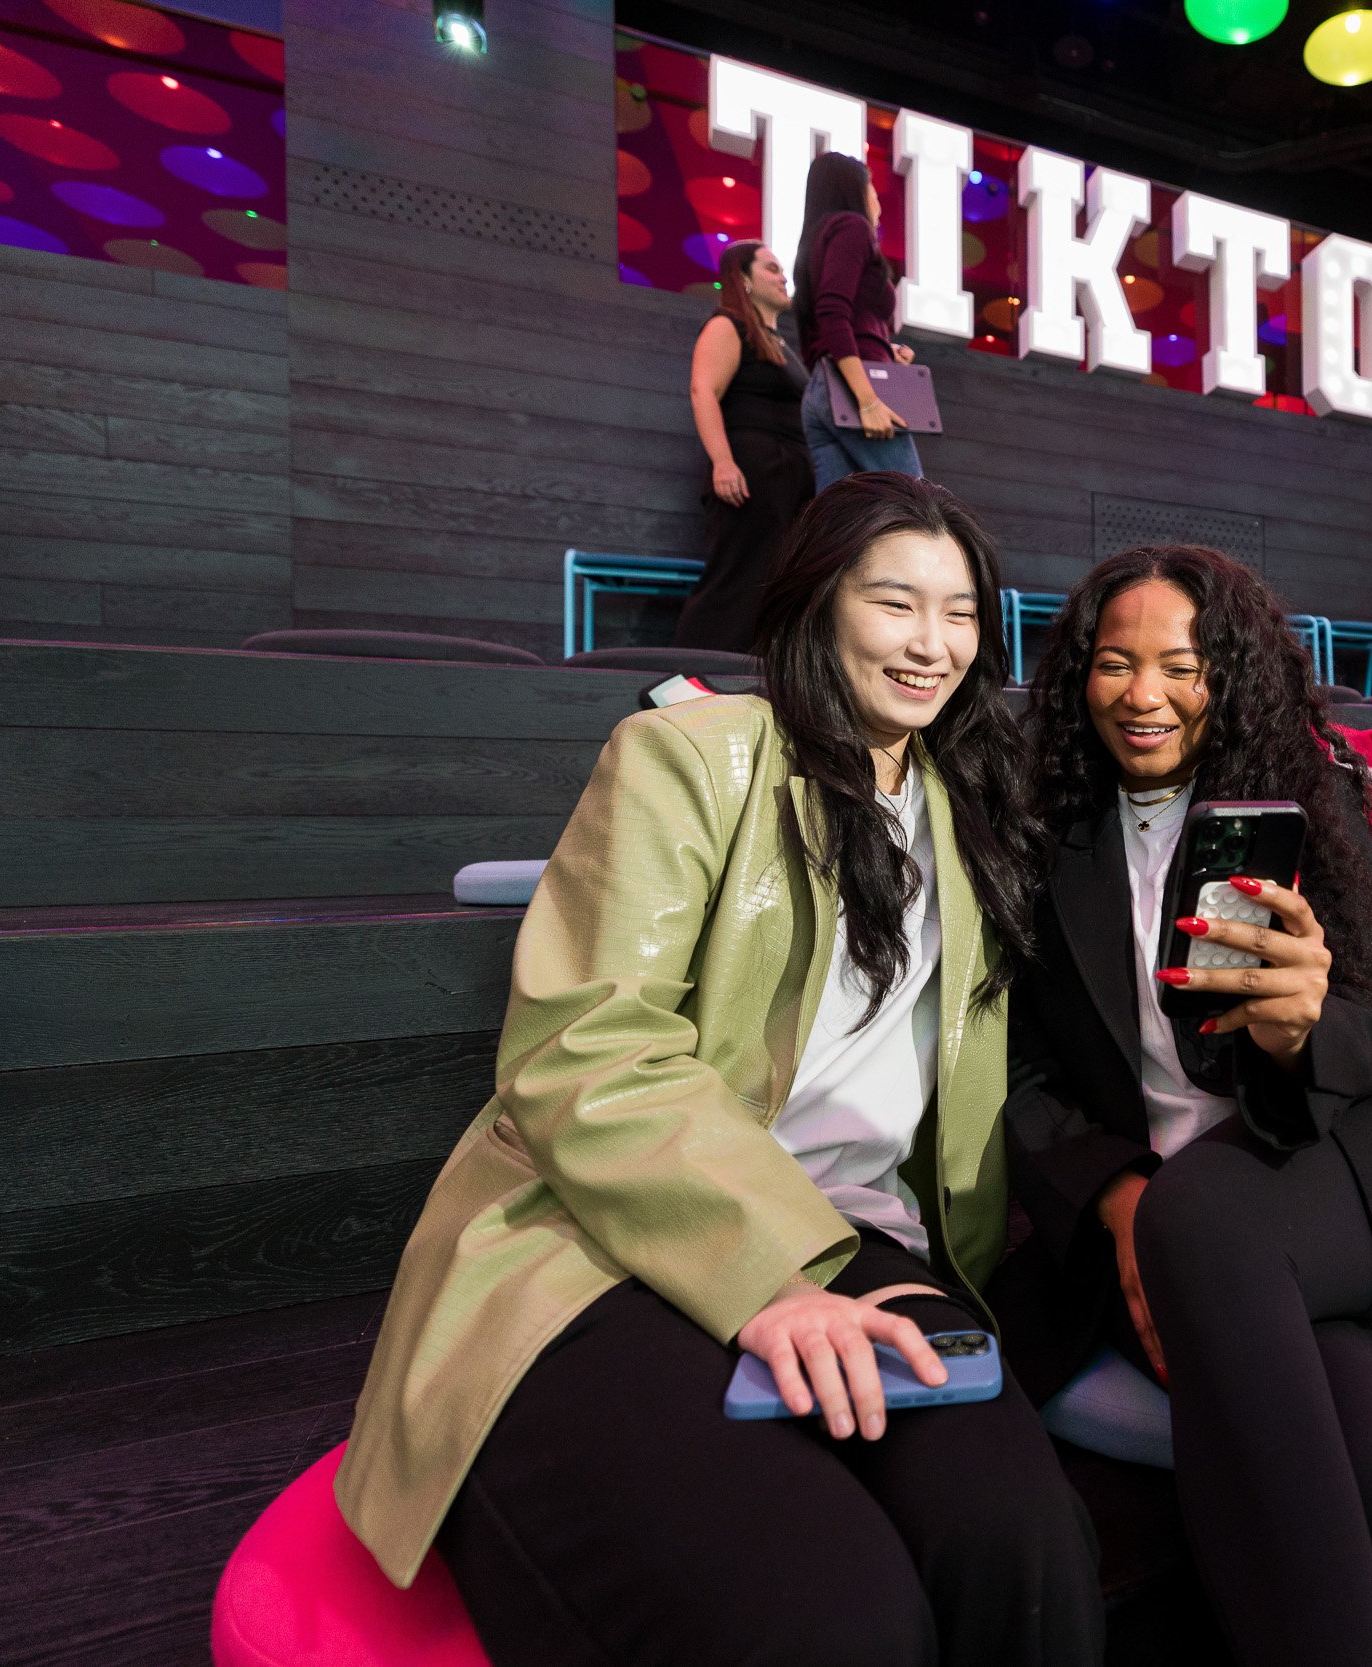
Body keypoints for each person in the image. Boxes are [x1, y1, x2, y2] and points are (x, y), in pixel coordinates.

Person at [335, 474, 1102, 1667]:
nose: (932, 643)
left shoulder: (975, 807)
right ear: (817, 604)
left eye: (960, 614)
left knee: (1024, 1543)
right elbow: (590, 1046)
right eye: (895, 602)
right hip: (606, 1228)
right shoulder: (689, 754)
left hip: (859, 1234)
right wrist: (768, 1279)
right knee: (827, 1617)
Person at [996, 545, 1372, 1667]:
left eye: (1181, 665)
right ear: (1077, 676)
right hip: (1180, 1203)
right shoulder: (1026, 830)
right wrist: (1113, 1197)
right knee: (1346, 1404)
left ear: (1232, 676)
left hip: (1332, 1160)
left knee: (1202, 1217)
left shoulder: (1309, 805)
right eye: (1116, 663)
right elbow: (1009, 1069)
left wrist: (1304, 1021)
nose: (1144, 694)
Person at [676, 239, 814, 651]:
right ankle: (695, 675)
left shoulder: (782, 345)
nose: (783, 276)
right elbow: (703, 390)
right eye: (771, 268)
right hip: (751, 475)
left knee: (774, 584)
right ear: (744, 280)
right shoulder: (728, 324)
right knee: (737, 577)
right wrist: (722, 462)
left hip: (789, 481)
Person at [795, 153, 924, 489]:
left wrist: (885, 349)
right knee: (912, 504)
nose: (877, 198)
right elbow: (833, 313)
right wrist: (867, 400)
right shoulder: (853, 227)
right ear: (853, 190)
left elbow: (837, 318)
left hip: (824, 388)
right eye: (872, 188)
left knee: (840, 525)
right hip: (854, 389)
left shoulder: (816, 241)